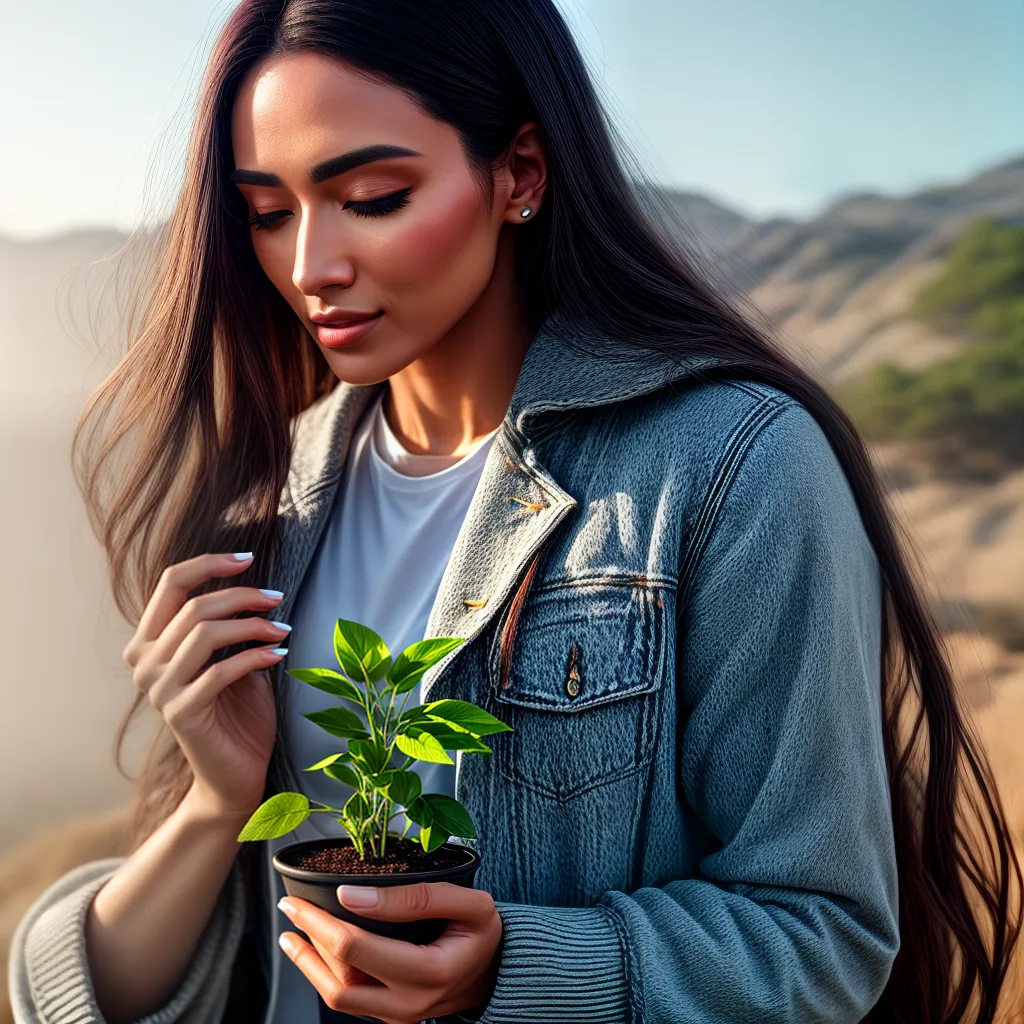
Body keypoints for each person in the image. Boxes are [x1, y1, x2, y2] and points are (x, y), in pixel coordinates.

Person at [8, 0, 1022, 1021]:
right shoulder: (271, 511)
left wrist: (517, 970)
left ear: (519, 174)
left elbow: (822, 934)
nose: (310, 265)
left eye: (371, 195)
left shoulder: (730, 468)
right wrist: (215, 802)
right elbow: (102, 995)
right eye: (269, 212)